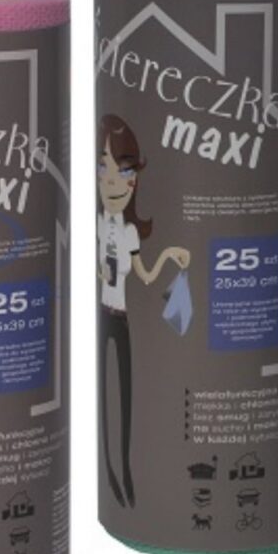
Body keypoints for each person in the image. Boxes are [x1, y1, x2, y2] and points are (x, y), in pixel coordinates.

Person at [97, 114, 189, 508]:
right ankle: (110, 472)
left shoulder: (129, 231)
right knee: (107, 399)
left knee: (125, 398)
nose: (113, 182)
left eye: (124, 172)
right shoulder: (100, 223)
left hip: (121, 320)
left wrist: (169, 255)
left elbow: (146, 276)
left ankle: (125, 472)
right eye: (103, 168)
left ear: (134, 180)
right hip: (104, 315)